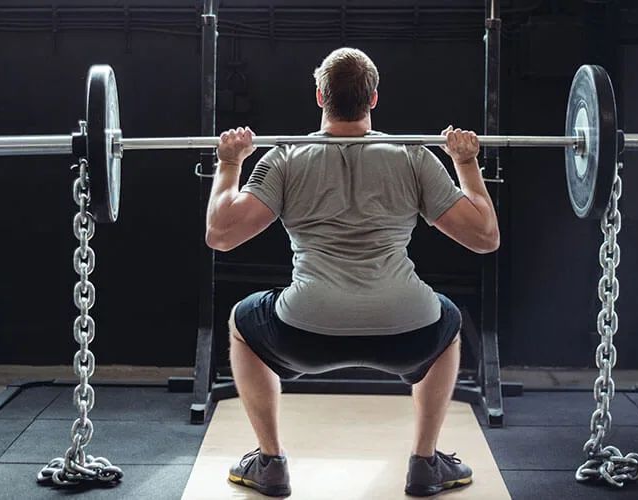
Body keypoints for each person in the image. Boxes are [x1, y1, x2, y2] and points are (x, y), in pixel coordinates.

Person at [205, 47, 500, 497]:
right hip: (408, 331)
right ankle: (425, 463)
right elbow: (485, 237)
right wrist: (465, 162)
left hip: (305, 331)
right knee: (449, 321)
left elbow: (221, 234)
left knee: (241, 323)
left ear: (320, 96)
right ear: (374, 99)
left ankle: (269, 462)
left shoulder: (285, 158)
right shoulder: (413, 157)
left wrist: (229, 163)